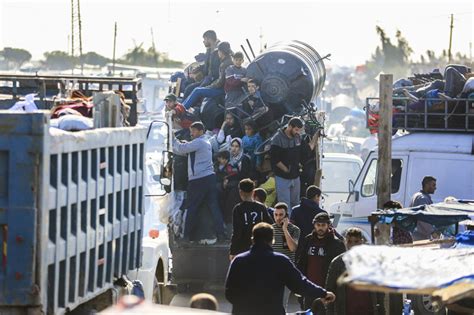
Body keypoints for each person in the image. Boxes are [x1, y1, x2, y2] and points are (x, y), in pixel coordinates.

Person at [225, 222, 336, 315]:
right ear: (272, 240)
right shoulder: (280, 261)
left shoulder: (239, 261)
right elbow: (300, 285)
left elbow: (229, 293)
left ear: (252, 239)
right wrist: (323, 293)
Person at [172, 121, 226, 242]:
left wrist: (172, 138)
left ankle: (186, 236)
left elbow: (180, 149)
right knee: (214, 207)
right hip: (210, 178)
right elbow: (187, 150)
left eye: (194, 131)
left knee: (192, 208)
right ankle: (221, 234)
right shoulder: (206, 141)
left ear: (201, 131)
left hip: (198, 180)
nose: (191, 133)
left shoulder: (199, 142)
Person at [325, 227, 384, 315]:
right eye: (349, 241)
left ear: (362, 241)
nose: (352, 245)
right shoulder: (337, 263)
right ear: (345, 242)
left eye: (356, 241)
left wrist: (381, 311)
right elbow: (329, 292)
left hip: (368, 311)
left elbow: (380, 292)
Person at [296, 212, 345, 310]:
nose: (320, 228)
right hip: (309, 288)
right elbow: (301, 263)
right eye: (318, 225)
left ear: (328, 225)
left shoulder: (337, 244)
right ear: (314, 225)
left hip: (327, 290)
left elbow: (341, 269)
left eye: (323, 225)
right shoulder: (308, 240)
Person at [270, 116, 318, 209]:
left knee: (295, 204)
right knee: (285, 205)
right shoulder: (277, 139)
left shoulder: (298, 138)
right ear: (289, 126)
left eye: (299, 130)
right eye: (296, 130)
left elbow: (308, 149)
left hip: (295, 177)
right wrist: (286, 170)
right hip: (282, 178)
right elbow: (275, 159)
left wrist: (316, 135)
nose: (298, 132)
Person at [229, 179, 273, 260]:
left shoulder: (238, 209)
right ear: (253, 192)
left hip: (243, 250)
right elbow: (270, 225)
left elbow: (237, 232)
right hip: (261, 247)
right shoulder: (261, 207)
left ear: (240, 192)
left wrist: (233, 251)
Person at [183, 41, 234, 110]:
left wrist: (210, 86)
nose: (218, 53)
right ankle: (183, 107)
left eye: (218, 51)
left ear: (221, 52)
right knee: (197, 89)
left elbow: (221, 82)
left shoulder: (225, 64)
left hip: (222, 90)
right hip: (223, 88)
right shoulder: (228, 61)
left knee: (197, 90)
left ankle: (182, 109)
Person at [272, 202, 301, 308]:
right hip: (272, 271)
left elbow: (293, 247)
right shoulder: (270, 229)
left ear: (286, 216)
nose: (278, 218)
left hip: (287, 272)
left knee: (282, 304)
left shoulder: (294, 229)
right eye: (276, 215)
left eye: (281, 215)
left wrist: (284, 229)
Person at [222, 138, 253, 225]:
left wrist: (229, 179)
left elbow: (244, 174)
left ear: (240, 148)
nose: (234, 148)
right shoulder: (229, 159)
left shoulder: (244, 159)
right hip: (230, 184)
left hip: (241, 185)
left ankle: (231, 222)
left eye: (236, 146)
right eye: (232, 146)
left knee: (232, 197)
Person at [183, 30, 221, 98]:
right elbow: (208, 64)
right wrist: (198, 68)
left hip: (212, 80)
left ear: (209, 39)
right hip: (207, 78)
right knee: (186, 83)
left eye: (204, 39)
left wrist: (205, 77)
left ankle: (183, 107)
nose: (203, 41)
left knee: (190, 89)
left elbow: (213, 68)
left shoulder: (218, 50)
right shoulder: (210, 49)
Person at [409, 175, 437, 241]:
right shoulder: (422, 198)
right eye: (433, 185)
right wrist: (432, 231)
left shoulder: (417, 195)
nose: (435, 188)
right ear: (427, 185)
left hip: (418, 232)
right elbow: (423, 218)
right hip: (420, 234)